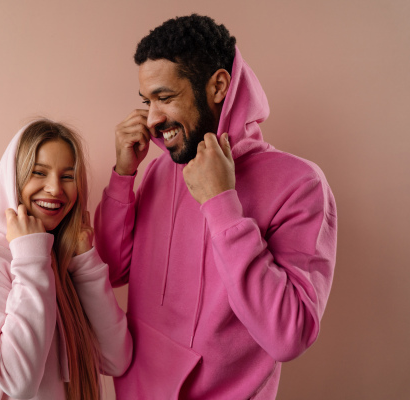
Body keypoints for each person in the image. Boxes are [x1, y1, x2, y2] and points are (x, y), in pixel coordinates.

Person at [94, 14, 337, 399]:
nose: (152, 119)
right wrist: (124, 175)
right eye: (147, 101)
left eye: (165, 97)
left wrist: (221, 203)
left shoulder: (301, 184)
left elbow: (289, 335)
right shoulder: (160, 170)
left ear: (219, 86)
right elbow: (108, 268)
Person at [0, 119, 132, 400]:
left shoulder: (60, 258)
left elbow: (116, 359)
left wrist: (85, 262)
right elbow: (18, 380)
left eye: (68, 176)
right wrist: (29, 255)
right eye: (38, 172)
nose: (55, 189)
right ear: (13, 177)